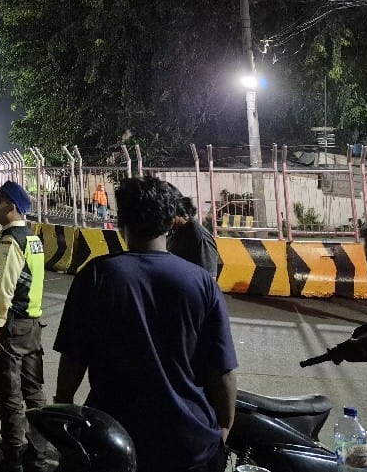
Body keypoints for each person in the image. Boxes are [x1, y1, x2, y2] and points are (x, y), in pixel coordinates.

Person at [53, 177, 237, 472]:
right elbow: (222, 369)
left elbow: (73, 359)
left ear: (121, 222)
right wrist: (224, 426)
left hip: (115, 439)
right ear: (169, 222)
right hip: (189, 442)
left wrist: (64, 409)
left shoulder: (97, 276)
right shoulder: (201, 282)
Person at [0, 181, 48, 472]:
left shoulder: (11, 241)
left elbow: (4, 287)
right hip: (32, 325)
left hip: (13, 327)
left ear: (10, 206)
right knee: (34, 394)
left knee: (10, 396)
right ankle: (39, 456)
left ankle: (12, 458)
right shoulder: (33, 238)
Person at [167, 193, 220, 279]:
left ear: (182, 213)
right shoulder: (174, 232)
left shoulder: (199, 236)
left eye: (169, 214)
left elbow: (209, 279)